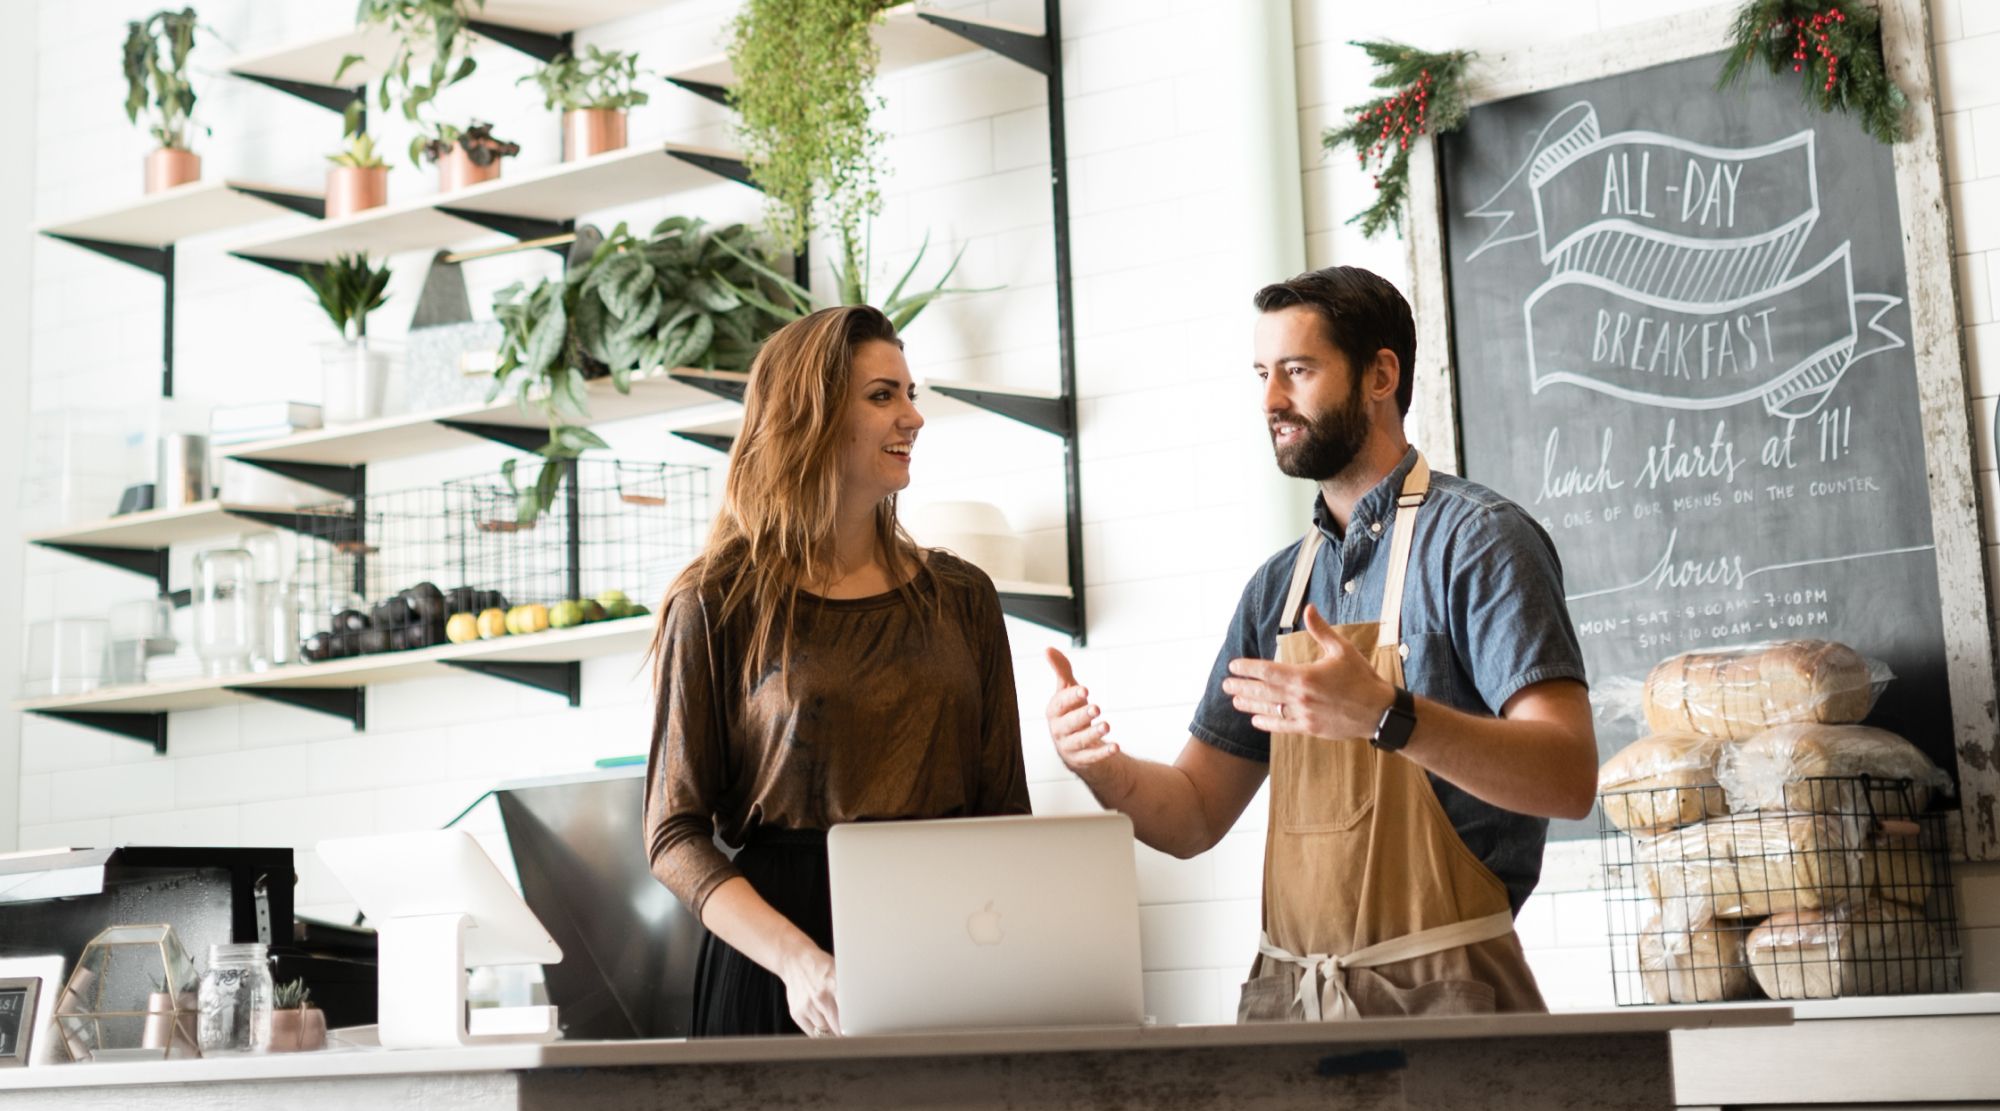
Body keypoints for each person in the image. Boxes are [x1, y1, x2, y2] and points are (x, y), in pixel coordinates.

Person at [1045, 266, 1596, 1020]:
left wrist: (1386, 715)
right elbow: (1194, 816)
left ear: (1380, 374)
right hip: (1291, 1016)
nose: (1272, 400)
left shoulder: (1481, 543)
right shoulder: (1278, 591)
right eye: (1263, 375)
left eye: (1298, 371)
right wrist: (1099, 769)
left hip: (1451, 1010)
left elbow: (1567, 777)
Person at [646, 305, 1031, 1039]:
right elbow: (674, 835)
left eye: (911, 393)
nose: (914, 417)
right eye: (883, 395)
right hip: (781, 973)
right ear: (808, 416)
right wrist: (800, 963)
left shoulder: (963, 597)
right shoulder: (715, 601)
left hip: (947, 949)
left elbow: (1005, 815)